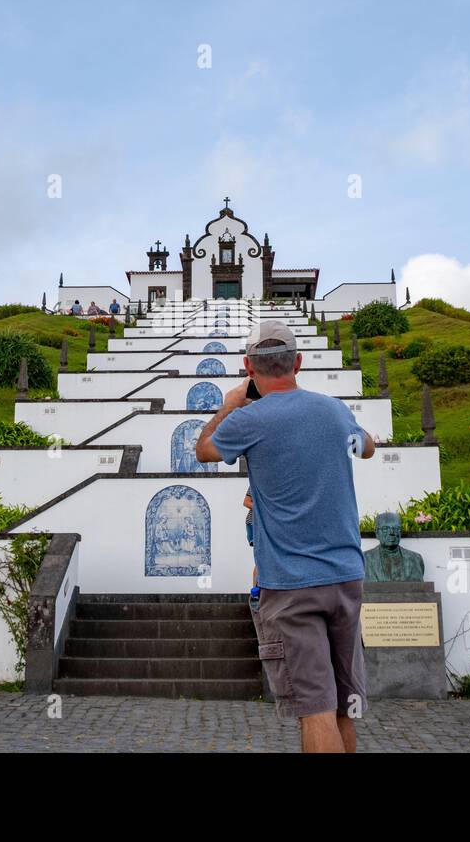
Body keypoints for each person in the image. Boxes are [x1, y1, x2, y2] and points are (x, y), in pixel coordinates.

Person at [196, 320, 375, 753]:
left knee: (314, 708)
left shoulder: (250, 419)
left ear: (249, 367)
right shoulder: (333, 411)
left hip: (291, 584)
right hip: (346, 577)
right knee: (343, 706)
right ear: (298, 362)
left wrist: (230, 404)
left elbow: (204, 449)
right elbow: (367, 447)